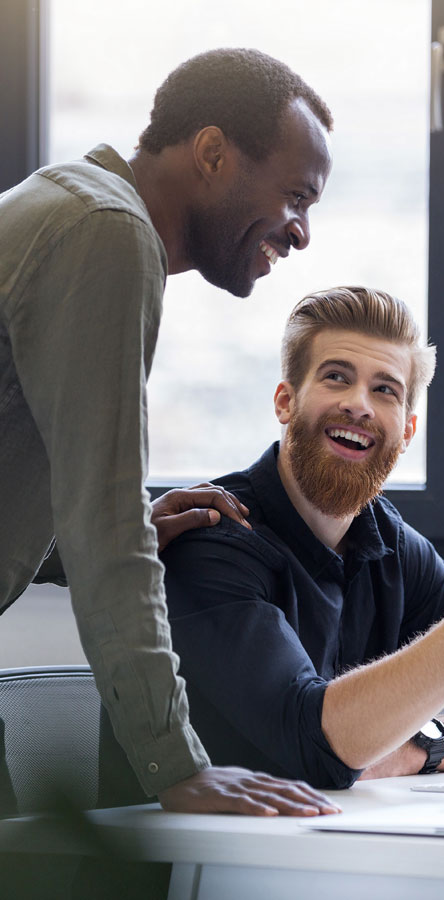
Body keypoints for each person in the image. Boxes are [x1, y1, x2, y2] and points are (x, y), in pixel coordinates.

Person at [0, 48, 339, 816]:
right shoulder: (107, 233)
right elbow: (107, 527)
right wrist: (177, 765)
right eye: (295, 195)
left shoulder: (67, 203)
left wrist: (59, 544)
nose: (302, 234)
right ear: (213, 154)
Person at [159, 285, 444, 789]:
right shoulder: (211, 535)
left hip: (343, 848)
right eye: (336, 377)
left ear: (407, 431)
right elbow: (322, 745)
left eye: (384, 389)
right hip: (197, 861)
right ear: (285, 401)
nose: (358, 405)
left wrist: (422, 745)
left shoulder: (396, 548)